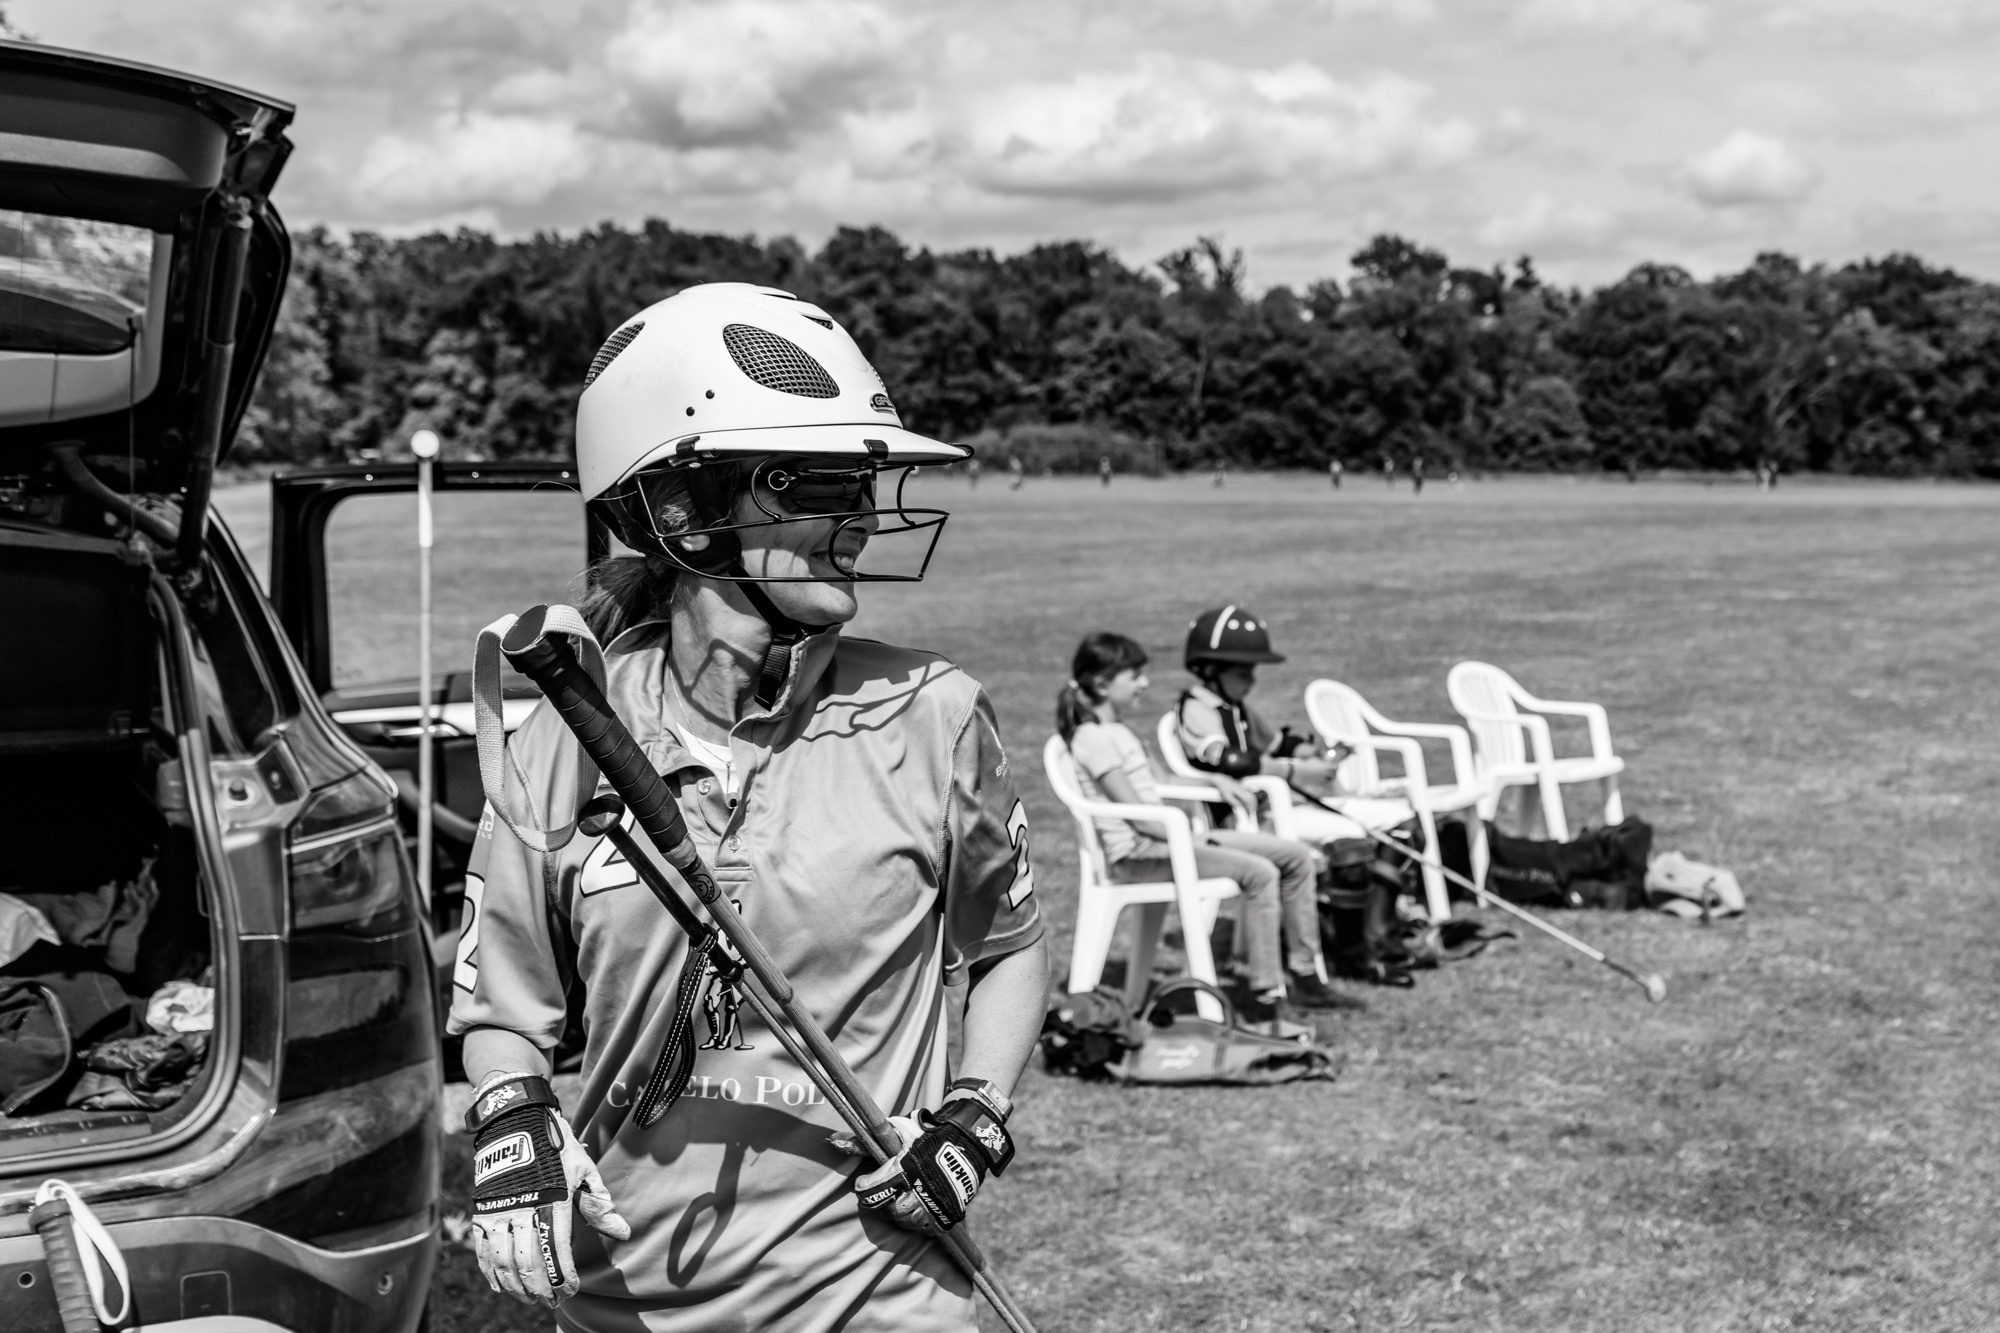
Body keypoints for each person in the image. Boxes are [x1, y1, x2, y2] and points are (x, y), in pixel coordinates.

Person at [452, 283, 1050, 1331]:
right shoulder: (562, 721)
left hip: (879, 1290)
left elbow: (1008, 941)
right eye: (822, 482)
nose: (863, 515)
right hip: (630, 1296)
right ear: (680, 514)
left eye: (862, 481)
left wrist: (973, 1115)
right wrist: (514, 1133)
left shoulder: (934, 713)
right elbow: (505, 1011)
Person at [1058, 633, 1359, 1019]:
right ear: (1102, 684)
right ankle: (1269, 996)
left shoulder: (1120, 732)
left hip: (1170, 841)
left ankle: (1305, 974)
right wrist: (1190, 837)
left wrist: (1213, 781)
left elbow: (1160, 783)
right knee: (1260, 872)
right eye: (1134, 676)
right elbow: (1137, 817)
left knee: (1296, 856)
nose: (1144, 684)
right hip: (1142, 855)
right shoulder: (1093, 739)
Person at [1175, 606, 1410, 847]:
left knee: (1398, 820)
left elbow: (1280, 744)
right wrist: (1298, 773)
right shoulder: (1197, 709)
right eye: (1243, 674)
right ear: (1212, 670)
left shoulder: (1235, 708)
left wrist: (1315, 754)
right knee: (1351, 834)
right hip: (1240, 817)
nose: (1252, 681)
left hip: (1270, 808)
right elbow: (1233, 761)